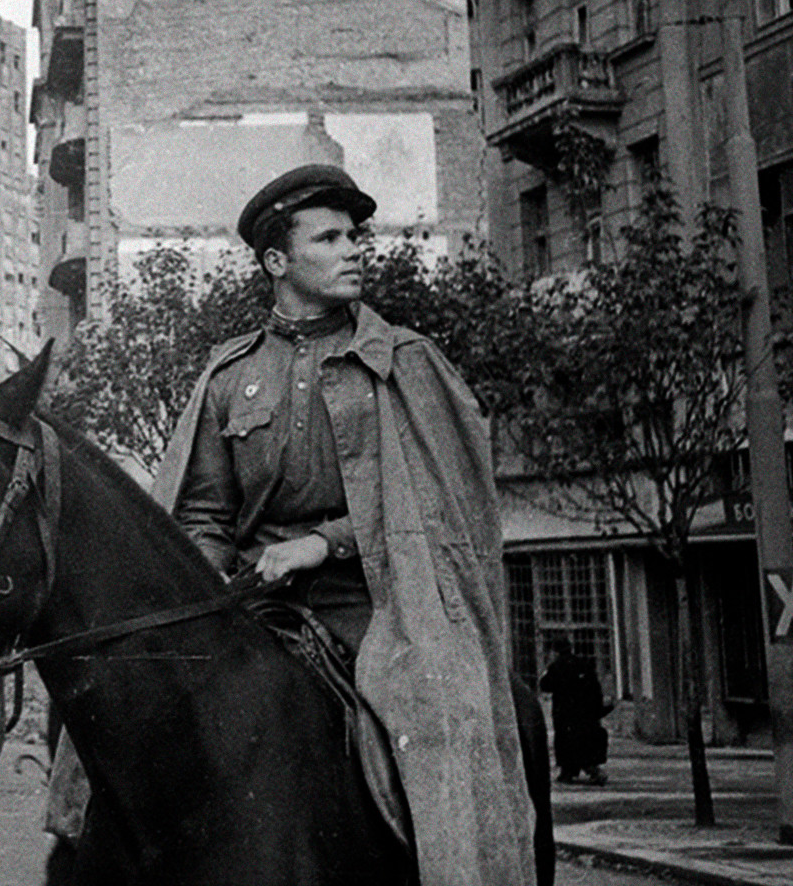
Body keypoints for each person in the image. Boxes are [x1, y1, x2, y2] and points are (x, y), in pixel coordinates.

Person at [144, 160, 536, 884]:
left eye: (355, 234)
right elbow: (203, 510)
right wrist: (202, 588)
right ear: (276, 260)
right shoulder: (230, 377)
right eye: (329, 238)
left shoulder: (403, 362)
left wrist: (319, 544)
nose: (355, 248)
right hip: (254, 605)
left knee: (448, 719)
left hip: (383, 604)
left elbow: (436, 504)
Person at [539, 637, 611, 785]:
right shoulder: (583, 664)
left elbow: (545, 685)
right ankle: (591, 770)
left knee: (566, 742)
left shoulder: (555, 666)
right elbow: (595, 688)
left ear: (555, 651)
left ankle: (569, 772)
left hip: (564, 712)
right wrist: (596, 709)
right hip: (584, 712)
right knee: (584, 742)